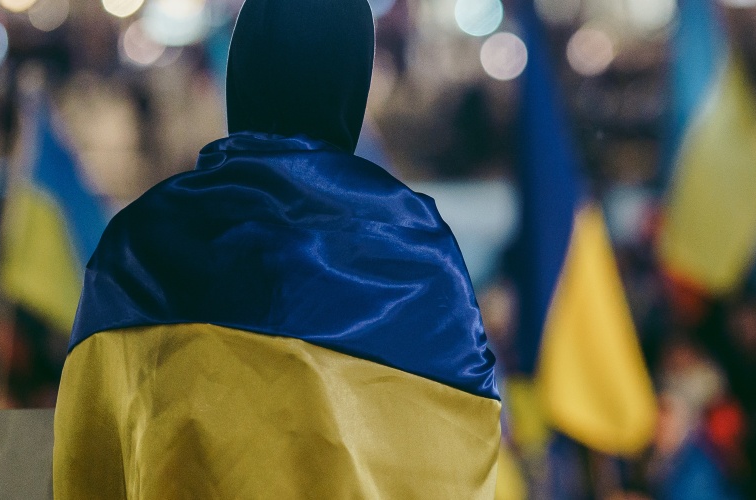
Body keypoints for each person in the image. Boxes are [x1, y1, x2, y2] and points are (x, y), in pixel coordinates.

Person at [51, 0, 499, 497]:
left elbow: (87, 467)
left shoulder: (135, 250)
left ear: (240, 78)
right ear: (352, 86)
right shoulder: (421, 260)